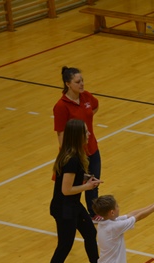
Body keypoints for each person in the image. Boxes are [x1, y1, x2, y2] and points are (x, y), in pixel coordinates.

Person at [46, 119, 102, 263]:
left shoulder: (73, 154)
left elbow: (72, 178)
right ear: (77, 135)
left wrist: (87, 178)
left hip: (72, 205)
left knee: (89, 232)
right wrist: (87, 187)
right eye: (85, 132)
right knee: (64, 246)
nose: (89, 134)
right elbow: (66, 189)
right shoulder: (72, 159)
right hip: (64, 208)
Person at [53, 66, 102, 220]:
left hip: (92, 148)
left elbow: (95, 106)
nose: (82, 84)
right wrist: (67, 155)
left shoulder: (86, 96)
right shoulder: (61, 106)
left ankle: (94, 214)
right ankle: (73, 215)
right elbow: (61, 133)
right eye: (77, 82)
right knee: (76, 186)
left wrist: (86, 119)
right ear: (68, 84)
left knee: (93, 183)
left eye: (82, 81)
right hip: (77, 154)